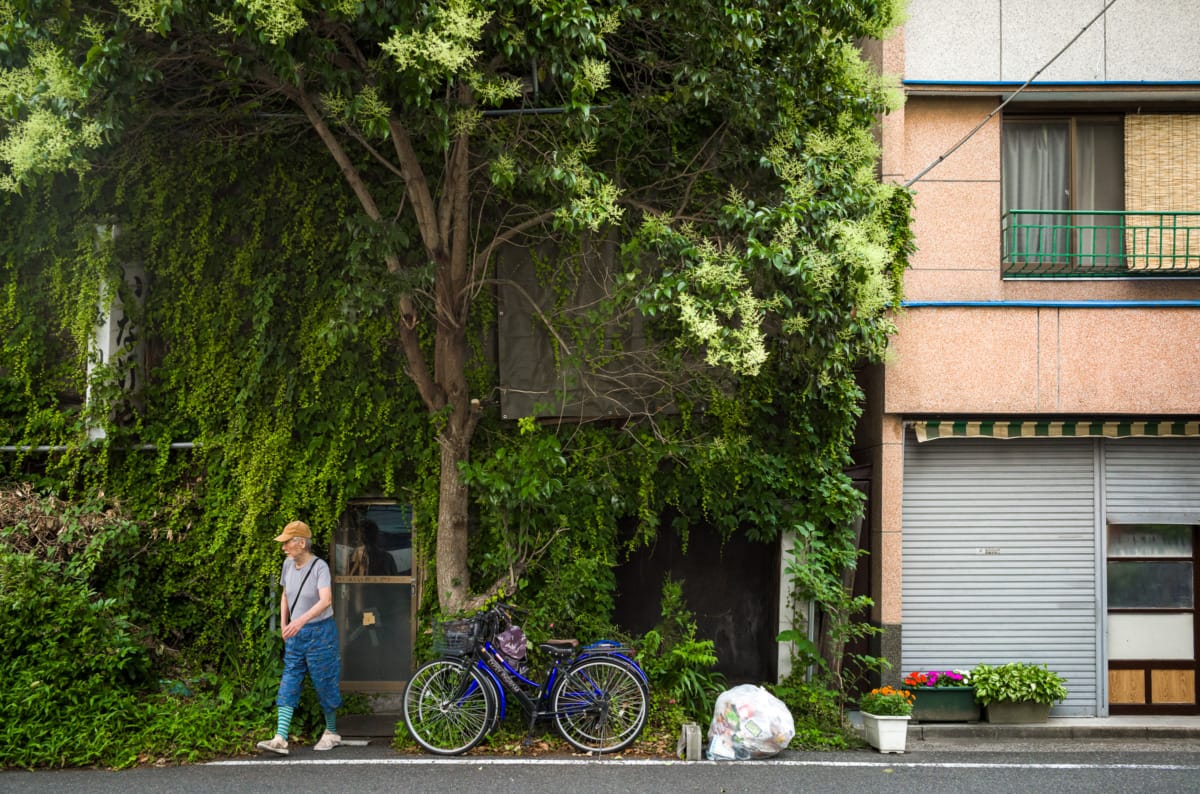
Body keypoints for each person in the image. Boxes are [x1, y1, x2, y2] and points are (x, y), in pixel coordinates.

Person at [256, 520, 343, 755]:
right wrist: (285, 624)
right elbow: (286, 595)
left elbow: (326, 601)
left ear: (301, 543)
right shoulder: (287, 564)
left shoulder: (319, 567)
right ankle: (280, 737)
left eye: (287, 542)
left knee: (325, 681)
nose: (283, 547)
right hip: (295, 633)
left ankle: (332, 732)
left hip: (320, 632)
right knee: (289, 680)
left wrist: (299, 621)